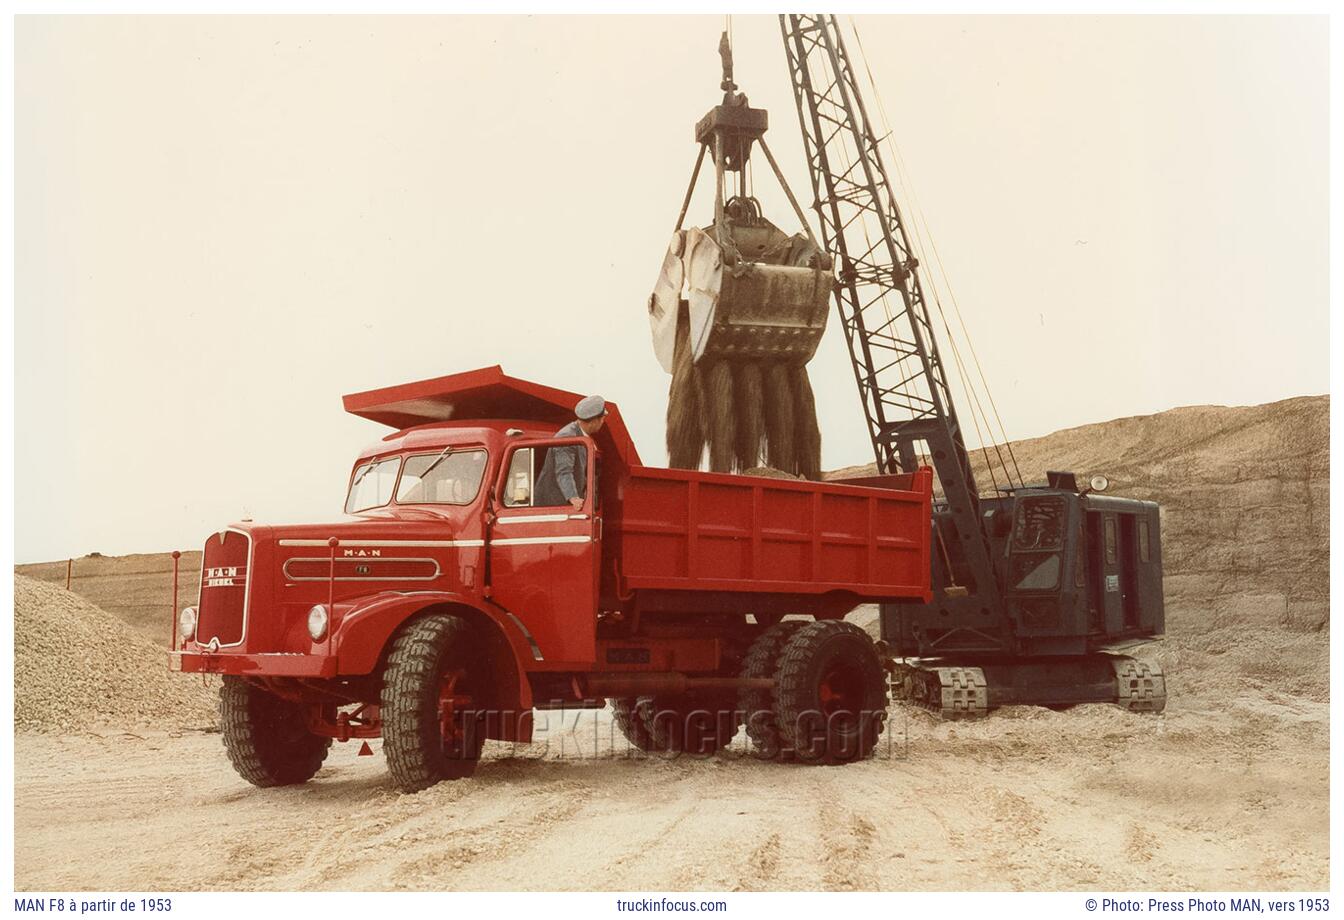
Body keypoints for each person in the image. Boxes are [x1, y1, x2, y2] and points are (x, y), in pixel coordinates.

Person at [534, 395, 608, 509]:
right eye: (602, 418)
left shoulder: (580, 434)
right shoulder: (567, 437)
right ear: (593, 421)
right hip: (554, 507)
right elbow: (564, 471)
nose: (603, 422)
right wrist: (573, 497)